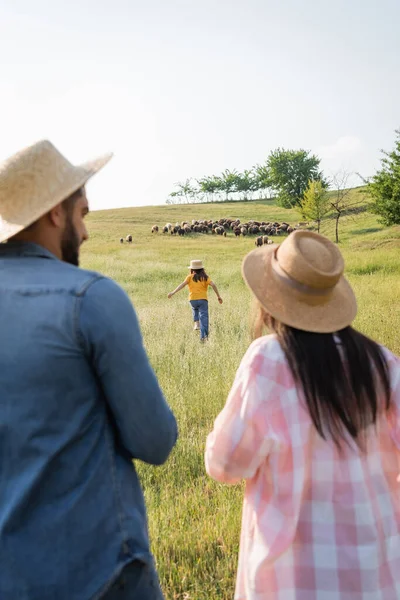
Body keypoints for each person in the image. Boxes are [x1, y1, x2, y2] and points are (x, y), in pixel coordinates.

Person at [0, 140, 178, 600]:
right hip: (99, 570)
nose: (85, 231)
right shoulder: (90, 298)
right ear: (55, 214)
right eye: (82, 213)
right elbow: (155, 442)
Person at [205, 230, 400, 600]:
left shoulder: (267, 361)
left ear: (271, 299)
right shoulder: (381, 361)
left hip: (292, 578)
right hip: (378, 568)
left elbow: (226, 464)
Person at [167, 259, 223, 341]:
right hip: (203, 299)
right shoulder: (205, 277)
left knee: (194, 308)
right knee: (204, 317)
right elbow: (213, 284)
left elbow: (182, 285)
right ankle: (204, 337)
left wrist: (173, 292)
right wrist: (218, 296)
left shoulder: (189, 277)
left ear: (192, 269)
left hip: (192, 299)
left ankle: (196, 323)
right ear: (202, 269)